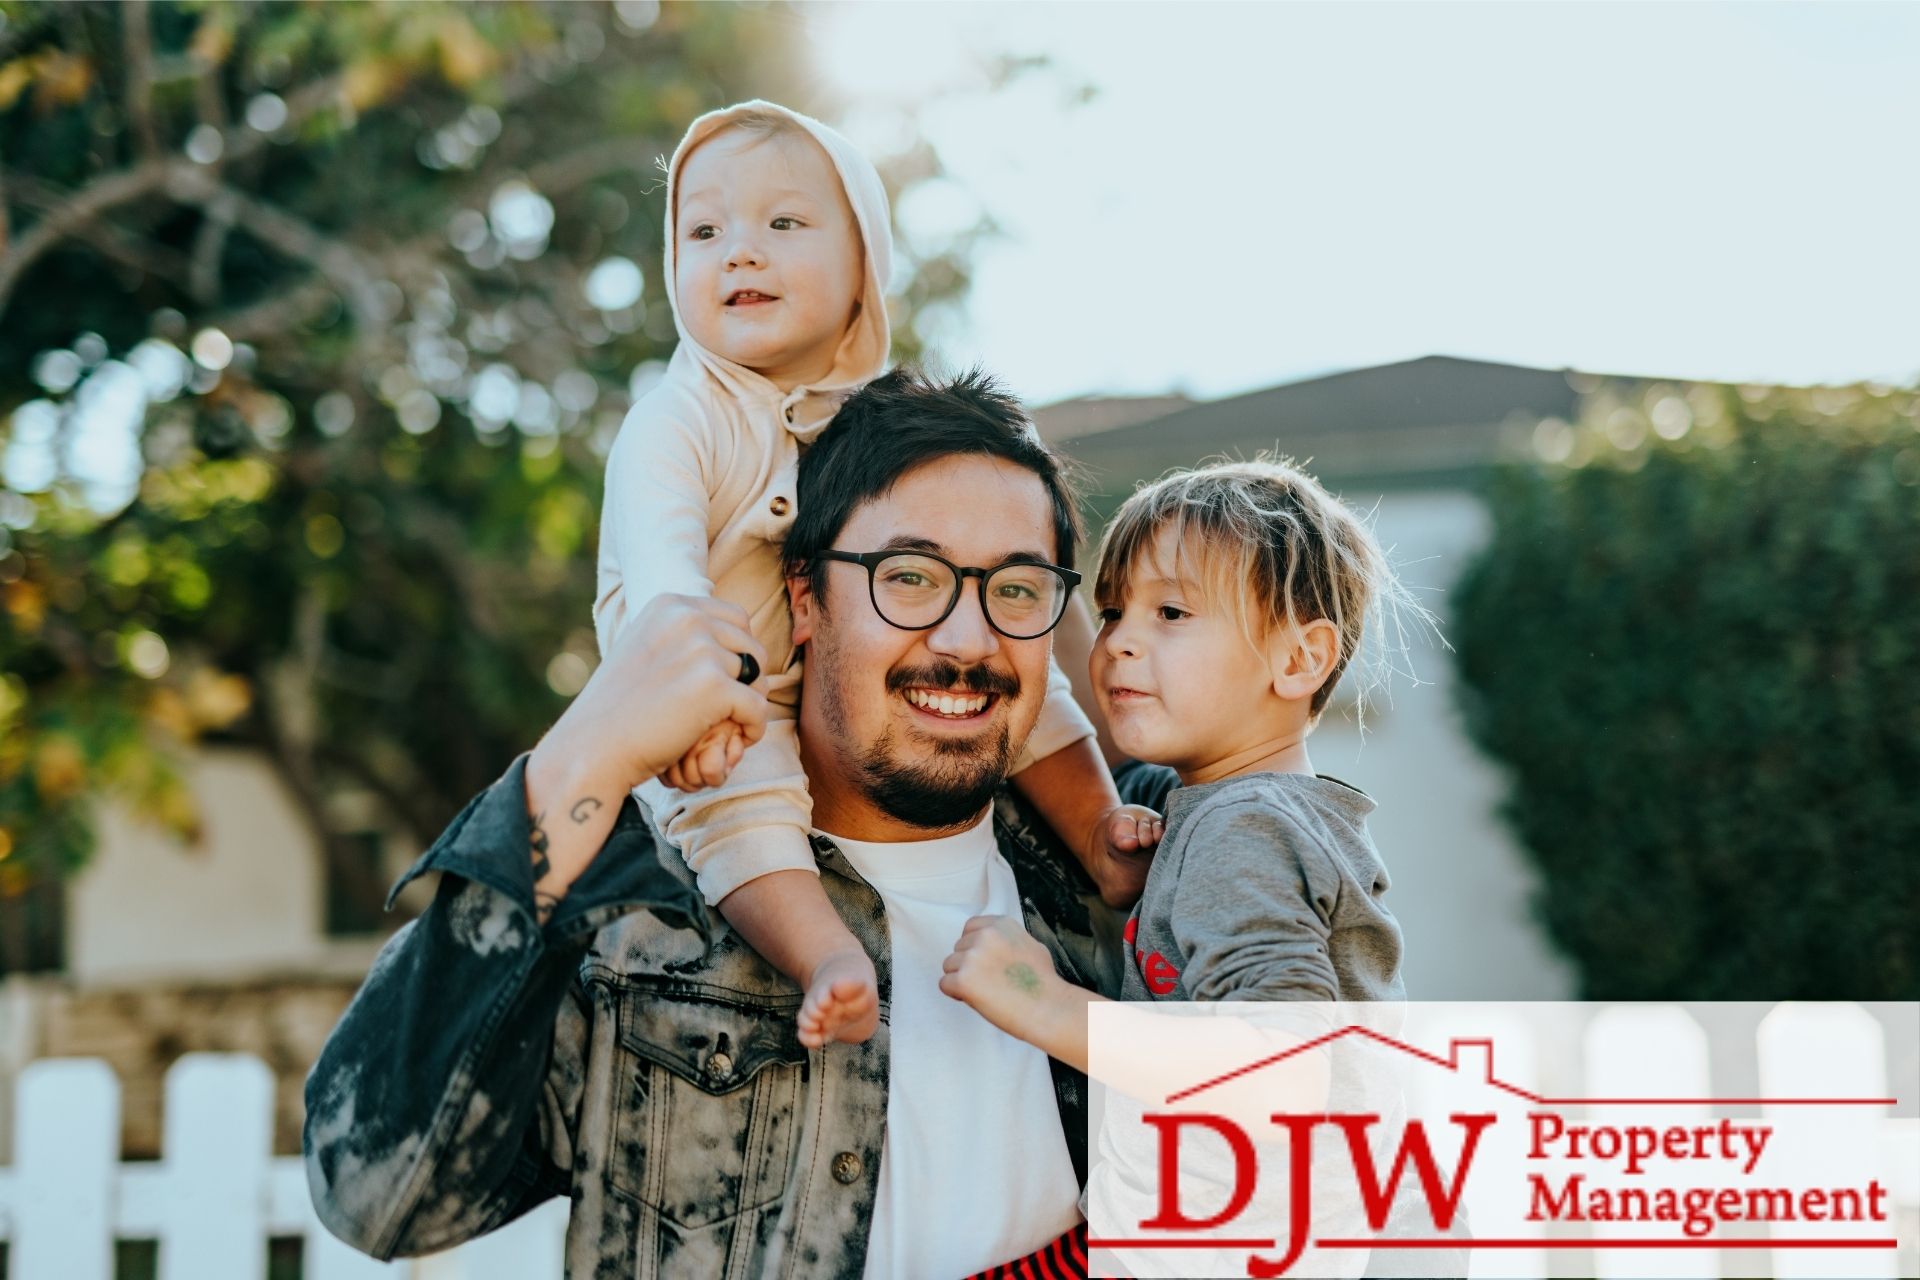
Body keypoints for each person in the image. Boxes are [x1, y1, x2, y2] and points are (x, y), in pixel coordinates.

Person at [305, 369, 1161, 1278]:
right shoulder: (639, 913)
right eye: (908, 578)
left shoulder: (1148, 877)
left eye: (1018, 590)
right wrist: (583, 755)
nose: (965, 640)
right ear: (803, 599)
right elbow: (376, 1196)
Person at [594, 100, 1160, 1052]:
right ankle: (826, 956)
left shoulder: (879, 424)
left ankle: (1101, 834)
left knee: (1029, 676)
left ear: (865, 265)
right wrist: (696, 707)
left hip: (808, 679)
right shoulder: (679, 419)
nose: (739, 251)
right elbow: (664, 587)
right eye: (704, 231)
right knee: (743, 811)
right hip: (716, 701)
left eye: (783, 224)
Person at [941, 459, 1442, 1277]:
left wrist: (1044, 1004)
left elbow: (1278, 1076)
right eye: (1112, 610)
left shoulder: (1242, 830)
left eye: (1170, 610)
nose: (1120, 641)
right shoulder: (1231, 808)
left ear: (1299, 659)